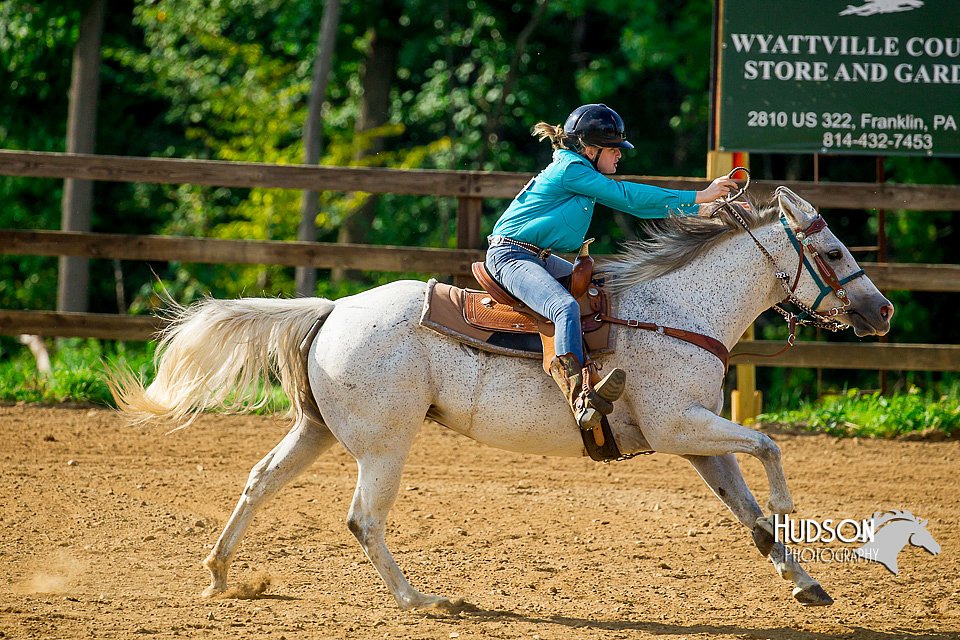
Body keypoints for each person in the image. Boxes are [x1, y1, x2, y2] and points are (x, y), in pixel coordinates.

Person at [485, 103, 738, 432]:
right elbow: (628, 198)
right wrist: (700, 196)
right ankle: (580, 398)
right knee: (563, 307)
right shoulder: (572, 171)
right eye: (613, 149)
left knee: (599, 295)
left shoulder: (577, 168)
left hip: (534, 256)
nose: (619, 155)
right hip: (512, 256)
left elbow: (636, 205)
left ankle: (593, 374)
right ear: (590, 149)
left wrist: (699, 209)